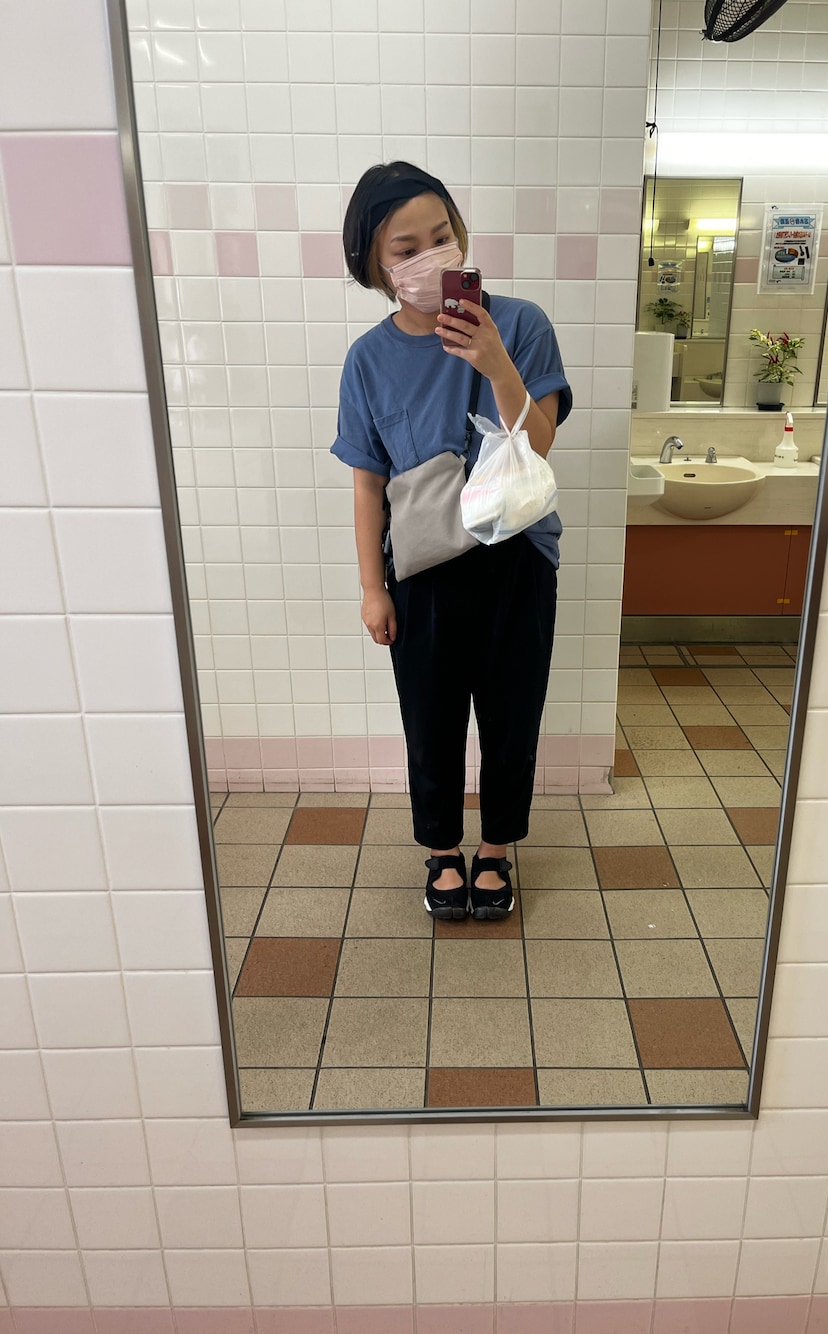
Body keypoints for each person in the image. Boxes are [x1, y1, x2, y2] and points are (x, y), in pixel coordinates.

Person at [331, 162, 572, 923]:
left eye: (442, 237)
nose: (430, 258)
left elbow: (538, 446)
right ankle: (441, 850)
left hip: (517, 559)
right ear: (375, 266)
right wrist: (373, 589)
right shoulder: (368, 360)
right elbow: (368, 485)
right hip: (423, 568)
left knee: (511, 717)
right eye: (406, 250)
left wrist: (495, 362)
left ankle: (496, 850)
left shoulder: (521, 325)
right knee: (430, 722)